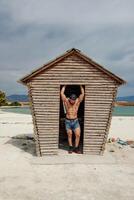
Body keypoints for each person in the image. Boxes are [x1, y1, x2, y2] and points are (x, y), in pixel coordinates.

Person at [60, 85, 84, 153]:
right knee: (69, 135)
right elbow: (62, 93)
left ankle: (76, 148)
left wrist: (81, 85)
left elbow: (82, 94)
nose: (72, 101)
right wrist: (64, 85)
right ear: (69, 98)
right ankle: (70, 147)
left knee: (78, 135)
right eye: (71, 100)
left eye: (73, 100)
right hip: (68, 121)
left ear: (75, 99)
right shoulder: (66, 101)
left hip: (75, 121)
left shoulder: (77, 102)